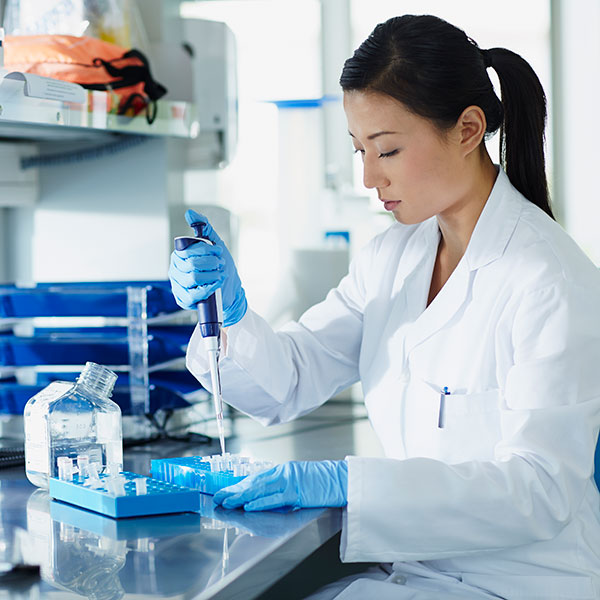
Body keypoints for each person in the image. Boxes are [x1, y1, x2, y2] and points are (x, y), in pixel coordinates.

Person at [168, 14, 600, 600]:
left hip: (523, 584)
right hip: (421, 575)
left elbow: (538, 490)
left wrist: (348, 483)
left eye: (388, 149)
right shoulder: (393, 257)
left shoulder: (548, 280)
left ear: (469, 129)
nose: (370, 176)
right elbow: (290, 378)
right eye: (359, 150)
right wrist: (233, 313)